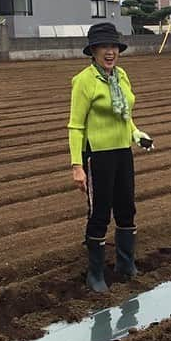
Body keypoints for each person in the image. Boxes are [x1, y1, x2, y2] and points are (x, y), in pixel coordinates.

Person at [68, 23, 153, 293]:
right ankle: (95, 274)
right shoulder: (84, 81)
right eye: (104, 47)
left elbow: (125, 115)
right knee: (101, 212)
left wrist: (137, 134)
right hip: (97, 155)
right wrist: (77, 166)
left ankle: (126, 264)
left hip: (122, 152)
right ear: (93, 51)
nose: (110, 52)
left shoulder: (121, 76)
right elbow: (75, 126)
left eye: (114, 46)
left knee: (127, 208)